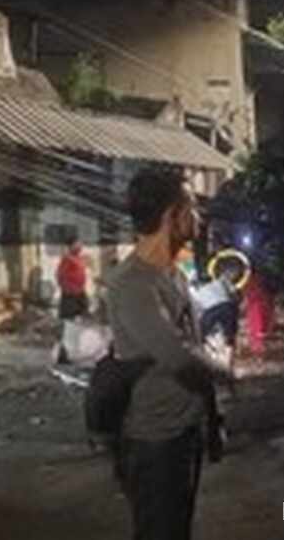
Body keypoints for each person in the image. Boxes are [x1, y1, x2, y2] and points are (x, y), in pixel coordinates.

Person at [106, 167, 227, 540]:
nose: (198, 217)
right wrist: (225, 371)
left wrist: (212, 421)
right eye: (191, 207)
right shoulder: (131, 283)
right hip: (155, 442)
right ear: (171, 216)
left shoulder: (173, 275)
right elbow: (177, 354)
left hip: (184, 431)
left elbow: (192, 344)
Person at [57, 236, 91, 320]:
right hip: (70, 293)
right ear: (71, 246)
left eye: (80, 244)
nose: (80, 246)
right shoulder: (67, 259)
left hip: (80, 291)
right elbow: (60, 275)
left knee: (84, 313)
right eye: (77, 244)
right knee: (69, 317)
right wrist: (66, 288)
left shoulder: (79, 258)